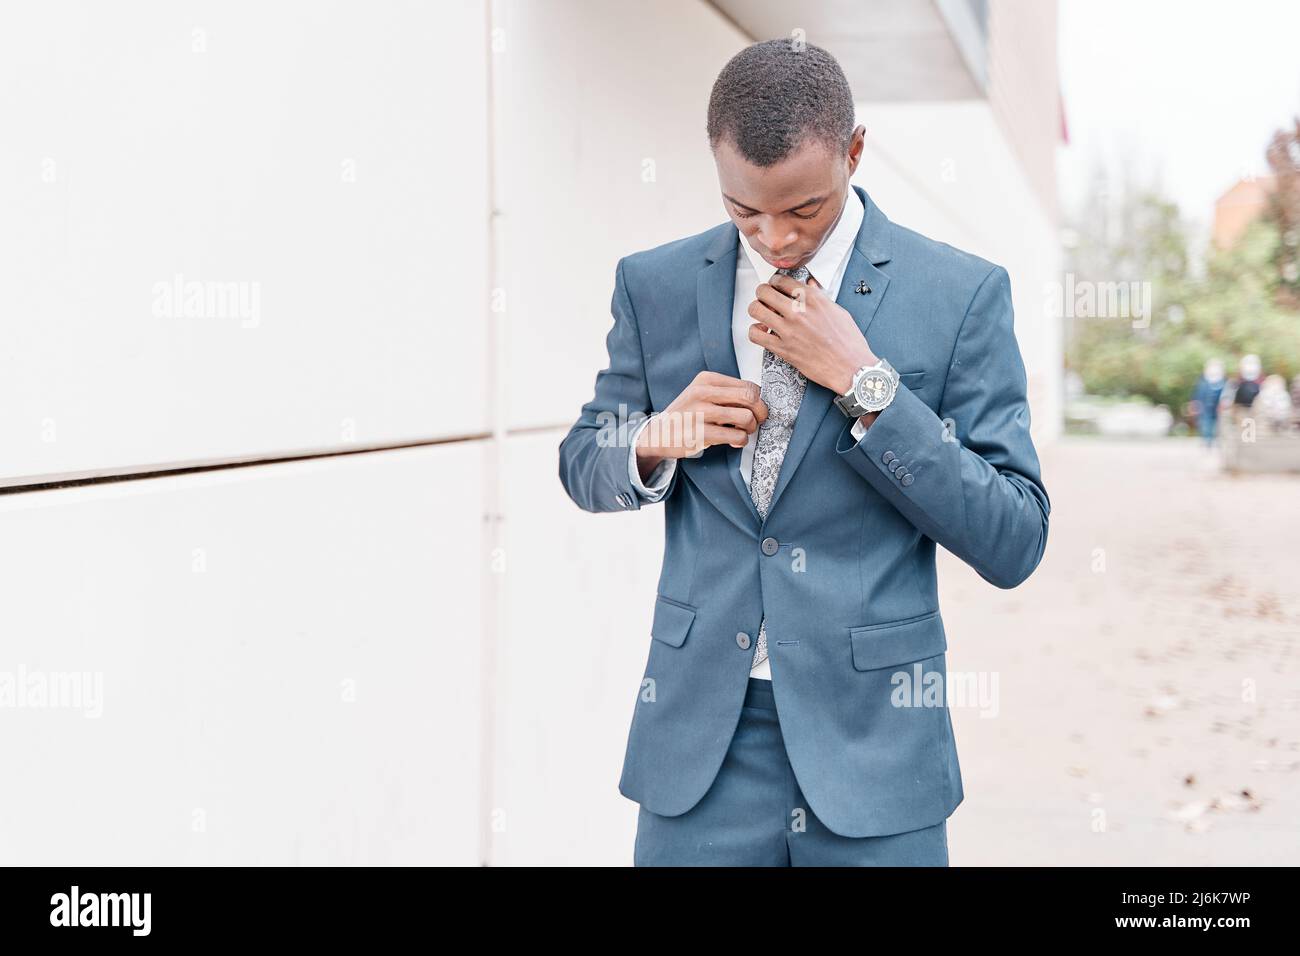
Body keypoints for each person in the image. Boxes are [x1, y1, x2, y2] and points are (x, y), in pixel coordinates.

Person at [558, 39, 1049, 866]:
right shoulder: (655, 285)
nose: (775, 238)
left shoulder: (960, 294)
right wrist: (650, 440)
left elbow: (1014, 538)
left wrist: (869, 389)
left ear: (855, 151)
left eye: (804, 210)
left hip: (876, 744)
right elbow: (582, 460)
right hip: (699, 751)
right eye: (744, 212)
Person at [1190, 358, 1226, 447]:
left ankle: (1217, 443)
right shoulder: (1202, 382)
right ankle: (1207, 443)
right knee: (1206, 426)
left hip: (1218, 410)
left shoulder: (1224, 382)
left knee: (1218, 427)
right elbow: (1197, 395)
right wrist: (1195, 406)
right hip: (1205, 409)